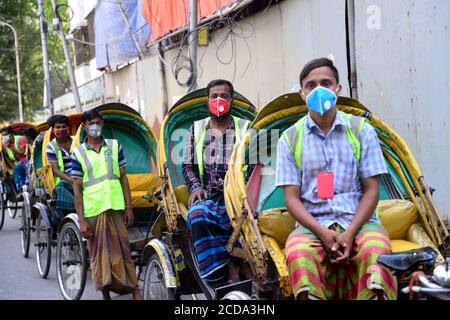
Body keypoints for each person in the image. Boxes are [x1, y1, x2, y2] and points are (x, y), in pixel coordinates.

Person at [276, 58, 397, 300]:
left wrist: (350, 232)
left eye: (325, 83)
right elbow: (291, 199)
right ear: (301, 93)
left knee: (377, 250)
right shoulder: (289, 139)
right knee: (298, 251)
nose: (318, 89)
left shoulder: (362, 130)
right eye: (311, 85)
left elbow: (371, 190)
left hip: (359, 223)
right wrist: (321, 232)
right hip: (312, 226)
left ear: (338, 89)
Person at [182, 79, 252, 285]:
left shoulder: (246, 128)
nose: (219, 100)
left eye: (224, 96)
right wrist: (195, 188)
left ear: (231, 100)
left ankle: (245, 262)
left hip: (240, 195)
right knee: (197, 214)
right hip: (211, 195)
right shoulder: (196, 129)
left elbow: (257, 166)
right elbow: (187, 166)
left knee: (253, 219)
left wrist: (246, 192)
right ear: (208, 101)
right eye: (214, 96)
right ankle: (227, 266)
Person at [71, 109, 141, 300]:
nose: (95, 126)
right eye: (91, 123)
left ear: (102, 124)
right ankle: (106, 295)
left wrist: (129, 207)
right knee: (98, 256)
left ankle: (135, 290)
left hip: (116, 208)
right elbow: (77, 190)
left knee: (124, 251)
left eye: (99, 122)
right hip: (93, 211)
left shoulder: (114, 146)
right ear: (84, 126)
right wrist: (81, 220)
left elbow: (124, 179)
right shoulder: (78, 153)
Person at [46, 115, 75, 225]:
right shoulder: (51, 146)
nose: (61, 129)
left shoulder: (76, 141)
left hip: (81, 174)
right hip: (62, 179)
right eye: (58, 127)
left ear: (68, 128)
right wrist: (72, 180)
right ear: (53, 130)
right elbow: (56, 170)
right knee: (61, 188)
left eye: (64, 126)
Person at [1, 126, 28, 194]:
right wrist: (13, 167)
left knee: (18, 169)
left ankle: (21, 190)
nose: (4, 137)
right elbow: (6, 157)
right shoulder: (3, 145)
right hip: (16, 164)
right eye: (3, 135)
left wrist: (10, 147)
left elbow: (23, 153)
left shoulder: (20, 139)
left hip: (26, 161)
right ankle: (19, 190)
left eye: (6, 135)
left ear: (11, 134)